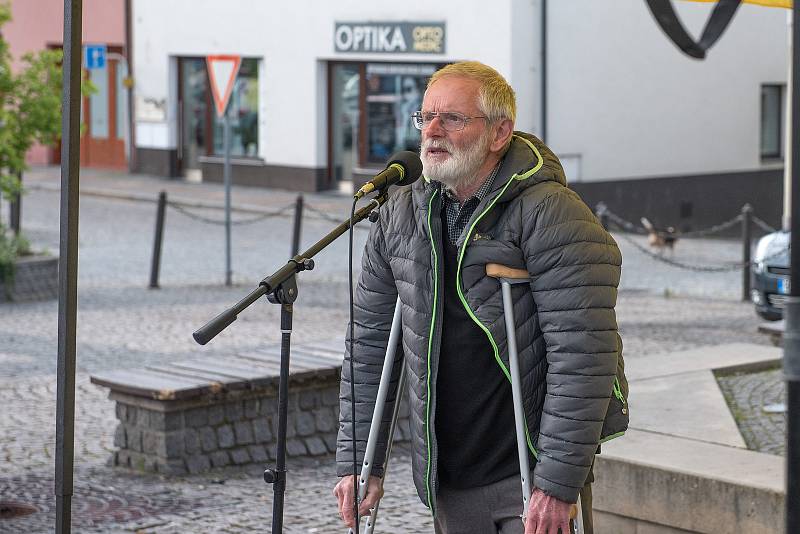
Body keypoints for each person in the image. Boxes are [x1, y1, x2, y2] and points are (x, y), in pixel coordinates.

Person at [333, 61, 628, 534]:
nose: (432, 131)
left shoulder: (553, 214)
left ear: (499, 133)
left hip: (527, 472)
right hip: (448, 475)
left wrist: (557, 483)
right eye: (425, 116)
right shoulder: (400, 214)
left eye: (452, 118)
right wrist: (357, 459)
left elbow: (584, 354)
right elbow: (368, 346)